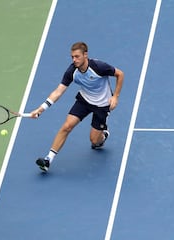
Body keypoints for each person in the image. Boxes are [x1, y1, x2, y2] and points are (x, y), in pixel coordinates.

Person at [31, 42, 124, 172]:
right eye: (72, 57)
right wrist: (41, 109)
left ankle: (103, 136)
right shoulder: (72, 71)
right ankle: (48, 159)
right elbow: (58, 91)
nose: (74, 60)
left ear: (85, 55)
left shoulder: (99, 67)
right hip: (84, 100)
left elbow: (120, 74)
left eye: (77, 56)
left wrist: (115, 96)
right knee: (67, 126)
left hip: (102, 105)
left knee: (94, 140)